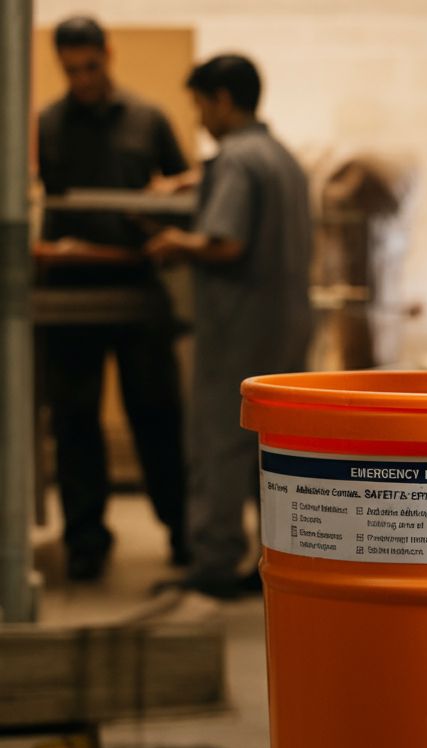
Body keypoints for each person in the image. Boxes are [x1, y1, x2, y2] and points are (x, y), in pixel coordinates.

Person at [145, 54, 312, 599]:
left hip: (237, 328)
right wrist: (193, 181)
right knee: (272, 451)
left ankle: (214, 563)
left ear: (222, 99)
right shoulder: (281, 157)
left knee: (219, 442)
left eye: (200, 105)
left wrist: (174, 242)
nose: (199, 118)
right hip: (283, 327)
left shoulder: (236, 160)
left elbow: (226, 242)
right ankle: (278, 556)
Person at [35, 16, 191, 581]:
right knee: (75, 421)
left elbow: (185, 190)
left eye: (90, 66)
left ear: (109, 54)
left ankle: (181, 530)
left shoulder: (147, 119)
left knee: (156, 415)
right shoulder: (47, 123)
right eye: (71, 69)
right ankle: (85, 541)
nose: (81, 79)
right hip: (69, 297)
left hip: (136, 290)